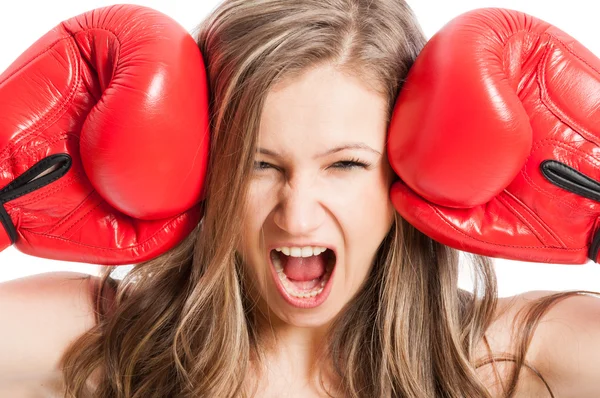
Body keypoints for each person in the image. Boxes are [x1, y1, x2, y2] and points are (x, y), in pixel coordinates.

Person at [1, 1, 599, 397]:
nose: (297, 212)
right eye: (259, 164)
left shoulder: (509, 358)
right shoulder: (105, 342)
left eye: (344, 164)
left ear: (410, 177)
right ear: (203, 169)